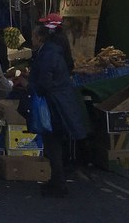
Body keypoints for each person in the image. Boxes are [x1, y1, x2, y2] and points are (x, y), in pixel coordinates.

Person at [27, 19, 89, 197]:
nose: (31, 39)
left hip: (54, 104)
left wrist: (31, 86)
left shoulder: (47, 56)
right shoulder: (52, 52)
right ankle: (57, 180)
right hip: (59, 102)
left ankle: (58, 183)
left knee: (52, 142)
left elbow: (45, 83)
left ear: (39, 38)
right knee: (54, 142)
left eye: (33, 36)